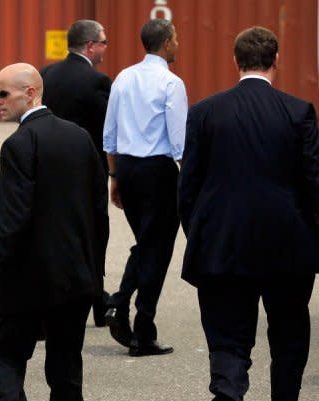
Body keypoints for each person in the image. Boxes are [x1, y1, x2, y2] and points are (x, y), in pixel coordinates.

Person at [178, 26, 319, 401]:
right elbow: (313, 185)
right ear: (277, 60)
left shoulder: (205, 112)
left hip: (222, 245)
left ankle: (228, 391)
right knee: (289, 333)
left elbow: (188, 186)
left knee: (227, 337)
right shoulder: (298, 112)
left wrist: (202, 234)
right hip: (287, 247)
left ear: (235, 61)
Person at [0, 63, 108, 401]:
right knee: (66, 373)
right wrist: (94, 273)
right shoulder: (80, 137)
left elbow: (11, 220)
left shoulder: (19, 144)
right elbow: (98, 212)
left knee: (3, 360)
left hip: (25, 282)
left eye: (3, 93)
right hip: (75, 278)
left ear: (30, 93)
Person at [102, 18, 187, 356]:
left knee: (146, 244)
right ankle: (135, 323)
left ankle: (125, 313)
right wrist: (191, 182)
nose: (178, 44)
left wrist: (114, 176)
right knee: (158, 249)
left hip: (128, 169)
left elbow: (109, 133)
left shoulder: (123, 77)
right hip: (159, 173)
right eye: (176, 38)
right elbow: (179, 142)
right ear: (166, 42)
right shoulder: (171, 83)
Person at [41, 19, 112, 327]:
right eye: (104, 42)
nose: (106, 48)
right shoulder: (97, 81)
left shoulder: (46, 75)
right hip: (85, 171)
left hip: (46, 168)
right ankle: (96, 300)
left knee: (51, 233)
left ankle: (46, 304)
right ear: (90, 46)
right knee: (93, 234)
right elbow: (106, 129)